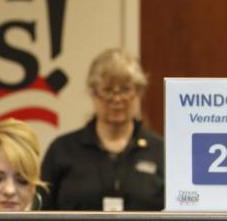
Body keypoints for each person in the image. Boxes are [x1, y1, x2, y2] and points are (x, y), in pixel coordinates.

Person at [39, 48, 164, 211]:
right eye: (108, 90)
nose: (117, 98)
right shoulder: (62, 150)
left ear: (139, 92)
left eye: (126, 89)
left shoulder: (160, 151)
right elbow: (41, 213)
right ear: (93, 92)